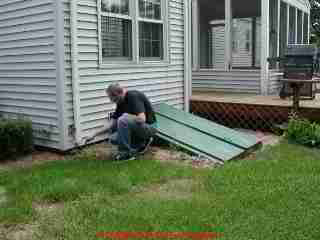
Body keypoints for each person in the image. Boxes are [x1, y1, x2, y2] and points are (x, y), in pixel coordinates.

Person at [85, 83, 157, 161]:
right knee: (113, 138)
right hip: (139, 128)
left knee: (123, 119)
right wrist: (94, 134)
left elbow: (142, 119)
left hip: (149, 127)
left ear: (118, 94)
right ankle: (141, 143)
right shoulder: (120, 103)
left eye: (112, 98)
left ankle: (126, 154)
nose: (112, 101)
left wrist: (127, 117)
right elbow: (111, 124)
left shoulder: (133, 96)